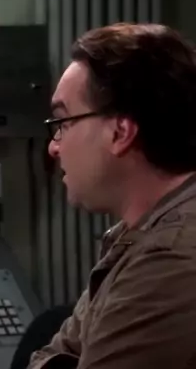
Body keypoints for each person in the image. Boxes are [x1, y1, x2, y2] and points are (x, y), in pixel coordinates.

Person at [28, 23, 196, 369]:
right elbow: (48, 355)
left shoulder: (170, 261)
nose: (54, 146)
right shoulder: (134, 235)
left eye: (62, 122)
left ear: (120, 132)